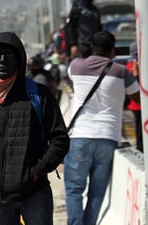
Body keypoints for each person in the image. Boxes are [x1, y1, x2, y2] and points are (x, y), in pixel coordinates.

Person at [0, 32, 70, 225]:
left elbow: (60, 140)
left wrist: (36, 171)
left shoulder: (39, 95)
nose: (3, 60)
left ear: (20, 59)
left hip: (35, 195)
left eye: (9, 54)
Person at [64, 31, 141, 225]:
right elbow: (138, 97)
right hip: (108, 137)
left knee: (74, 189)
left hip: (79, 136)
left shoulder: (76, 66)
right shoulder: (121, 72)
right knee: (97, 193)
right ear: (112, 50)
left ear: (92, 47)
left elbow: (70, 77)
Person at [125, 41, 143, 152]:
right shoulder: (135, 65)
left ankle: (140, 146)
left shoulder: (128, 65)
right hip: (138, 103)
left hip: (134, 103)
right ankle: (140, 148)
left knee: (139, 127)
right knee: (140, 128)